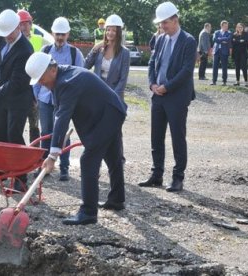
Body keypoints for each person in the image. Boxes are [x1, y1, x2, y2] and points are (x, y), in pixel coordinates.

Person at [25, 52, 127, 225]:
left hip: (108, 115)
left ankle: (88, 212)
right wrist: (55, 147)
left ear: (52, 69)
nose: (41, 84)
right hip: (109, 113)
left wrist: (52, 156)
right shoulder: (62, 78)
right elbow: (62, 114)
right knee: (113, 157)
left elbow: (62, 118)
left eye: (42, 79)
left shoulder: (67, 82)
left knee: (88, 160)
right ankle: (117, 199)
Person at [138, 1, 196, 192]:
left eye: (165, 23)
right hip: (158, 96)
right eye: (160, 23)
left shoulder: (188, 41)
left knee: (178, 137)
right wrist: (152, 84)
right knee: (156, 137)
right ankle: (157, 175)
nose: (162, 26)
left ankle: (178, 177)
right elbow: (153, 62)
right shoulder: (161, 39)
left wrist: (167, 87)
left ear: (175, 20)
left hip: (177, 97)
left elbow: (187, 70)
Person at [0, 9, 34, 190]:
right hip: (4, 98)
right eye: (3, 34)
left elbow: (17, 83)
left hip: (19, 99)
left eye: (9, 34)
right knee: (0, 136)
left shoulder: (25, 49)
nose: (6, 38)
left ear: (18, 27)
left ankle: (21, 177)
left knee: (14, 136)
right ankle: (1, 171)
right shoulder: (4, 38)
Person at [33, 17, 84, 181]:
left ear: (68, 34)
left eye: (63, 34)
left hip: (64, 102)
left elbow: (80, 77)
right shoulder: (45, 51)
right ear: (53, 33)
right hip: (45, 100)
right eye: (57, 34)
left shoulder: (75, 53)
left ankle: (64, 168)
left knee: (62, 133)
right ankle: (44, 166)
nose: (60, 38)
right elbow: (36, 75)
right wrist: (36, 96)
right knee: (46, 132)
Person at [85, 14, 130, 100]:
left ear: (119, 33)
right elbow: (85, 66)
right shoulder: (99, 49)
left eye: (114, 30)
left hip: (114, 95)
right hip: (97, 92)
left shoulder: (125, 52)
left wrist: (113, 96)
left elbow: (123, 79)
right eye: (108, 30)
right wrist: (94, 49)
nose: (110, 33)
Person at [17, 9, 41, 146]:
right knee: (17, 126)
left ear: (31, 24)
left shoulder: (38, 40)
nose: (24, 26)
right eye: (21, 24)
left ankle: (35, 155)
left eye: (27, 23)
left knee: (34, 125)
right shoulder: (12, 42)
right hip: (20, 89)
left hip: (34, 89)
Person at [211, 20, 232, 86]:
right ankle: (214, 81)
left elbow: (228, 39)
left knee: (224, 67)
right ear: (221, 26)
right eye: (225, 26)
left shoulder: (229, 32)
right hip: (216, 51)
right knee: (215, 67)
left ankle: (224, 81)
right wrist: (223, 40)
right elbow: (214, 39)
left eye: (227, 26)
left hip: (224, 51)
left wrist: (219, 39)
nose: (226, 27)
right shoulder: (216, 32)